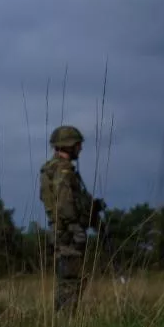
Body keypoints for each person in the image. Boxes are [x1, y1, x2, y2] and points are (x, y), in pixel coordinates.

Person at [39, 124, 104, 316]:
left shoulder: (50, 169)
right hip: (68, 233)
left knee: (68, 278)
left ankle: (62, 320)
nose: (80, 148)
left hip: (61, 231)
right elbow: (65, 203)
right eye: (77, 144)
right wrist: (76, 226)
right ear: (68, 145)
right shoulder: (63, 170)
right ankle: (64, 322)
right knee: (70, 279)